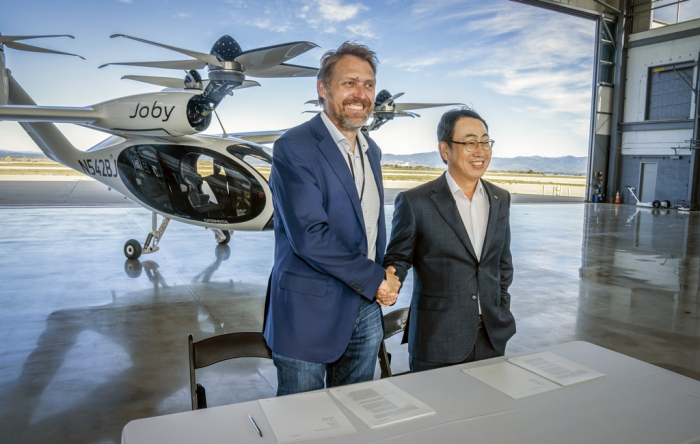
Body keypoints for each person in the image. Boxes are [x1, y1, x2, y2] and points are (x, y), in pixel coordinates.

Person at [263, 42, 400, 396]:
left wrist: (385, 275)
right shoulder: (294, 147)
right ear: (323, 88)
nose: (361, 94)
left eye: (368, 85)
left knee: (355, 412)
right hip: (308, 312)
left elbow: (368, 228)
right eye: (349, 83)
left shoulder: (373, 151)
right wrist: (375, 279)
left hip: (365, 308)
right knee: (302, 424)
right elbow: (310, 236)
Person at [383, 107, 515, 373]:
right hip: (437, 337)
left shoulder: (500, 198)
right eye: (469, 143)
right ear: (445, 150)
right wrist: (390, 282)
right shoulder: (415, 202)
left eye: (485, 141)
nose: (480, 151)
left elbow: (502, 264)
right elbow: (398, 258)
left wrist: (500, 305)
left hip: (492, 335)